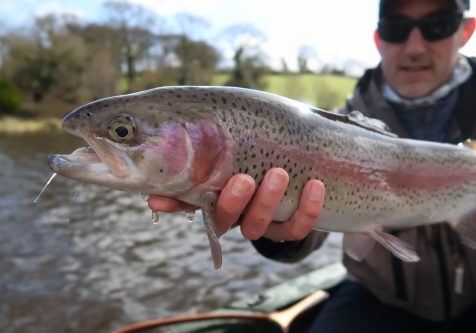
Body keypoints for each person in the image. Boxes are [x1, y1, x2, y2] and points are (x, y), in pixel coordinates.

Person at [149, 0, 476, 331]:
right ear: (379, 39)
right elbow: (309, 237)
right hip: (376, 298)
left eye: (437, 25)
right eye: (398, 29)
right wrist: (278, 233)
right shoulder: (330, 127)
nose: (415, 46)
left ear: (466, 31)